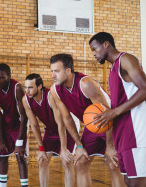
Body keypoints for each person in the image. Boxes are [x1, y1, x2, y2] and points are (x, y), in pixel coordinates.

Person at [49, 53, 125, 187]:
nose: (52, 75)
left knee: (113, 163)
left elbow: (107, 114)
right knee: (80, 162)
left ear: (68, 71)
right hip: (93, 126)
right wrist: (79, 146)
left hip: (113, 123)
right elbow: (67, 119)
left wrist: (110, 146)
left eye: (56, 71)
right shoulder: (55, 90)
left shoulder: (86, 84)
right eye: (52, 71)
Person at [89, 32, 146, 187]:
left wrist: (113, 112)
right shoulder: (113, 69)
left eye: (95, 49)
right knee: (128, 180)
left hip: (136, 133)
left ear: (106, 44)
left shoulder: (126, 59)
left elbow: (145, 89)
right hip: (123, 134)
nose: (94, 54)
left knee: (137, 182)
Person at [22, 73, 75, 187]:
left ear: (40, 86)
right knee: (42, 161)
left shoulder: (51, 96)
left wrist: (64, 148)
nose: (27, 91)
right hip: (51, 130)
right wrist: (41, 149)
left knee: (66, 161)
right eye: (26, 87)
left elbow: (61, 123)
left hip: (67, 129)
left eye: (30, 87)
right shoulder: (26, 100)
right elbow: (34, 125)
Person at [0, 63, 29, 187]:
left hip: (20, 123)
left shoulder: (17, 88)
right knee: (3, 154)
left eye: (1, 78)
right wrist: (1, 139)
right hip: (6, 122)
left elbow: (23, 116)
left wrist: (20, 142)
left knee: (20, 156)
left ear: (9, 77)